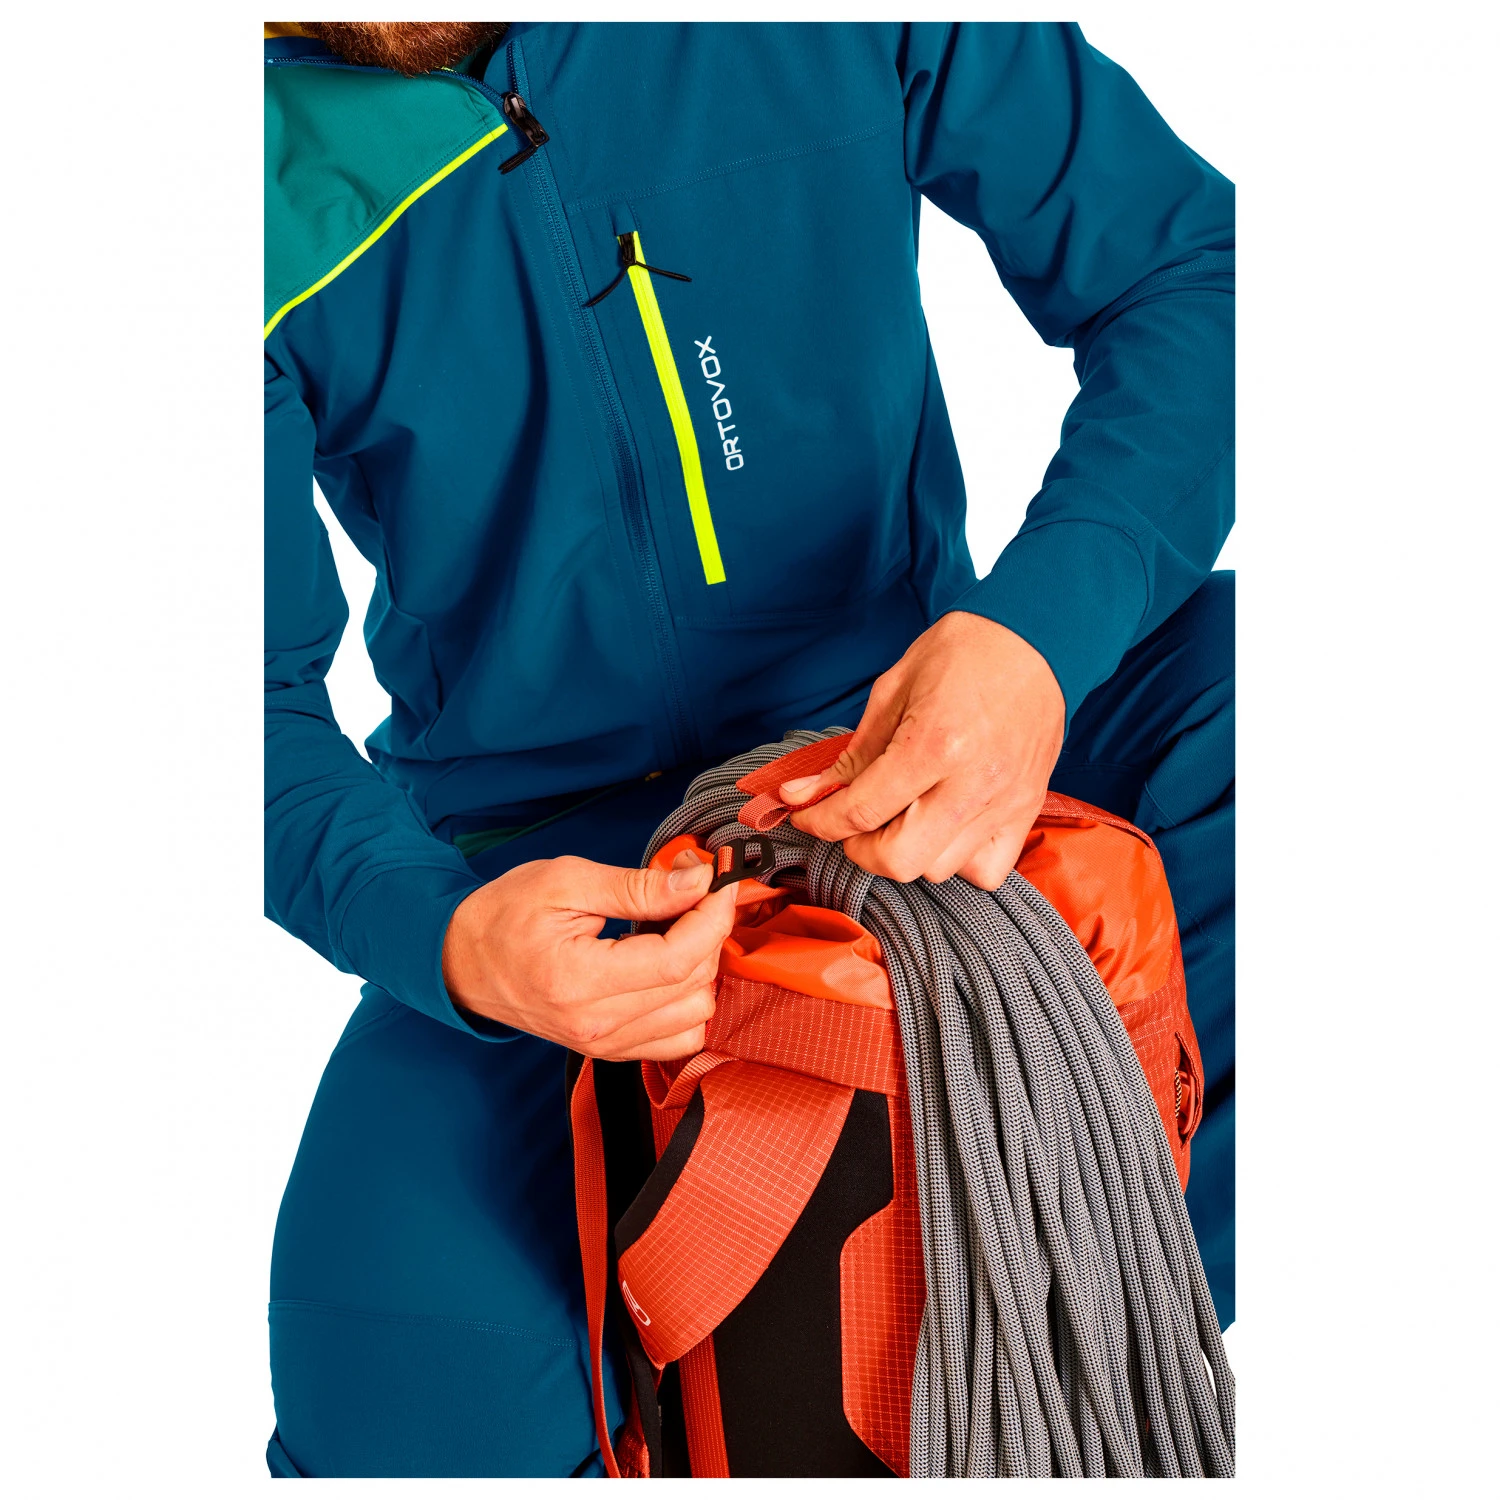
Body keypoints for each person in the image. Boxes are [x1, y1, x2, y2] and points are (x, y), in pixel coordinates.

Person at [263, 19, 1234, 1478]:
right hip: (548, 867)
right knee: (390, 1385)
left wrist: (1035, 641)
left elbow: (1190, 272)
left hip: (904, 734)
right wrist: (450, 941)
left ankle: (1035, 1343)